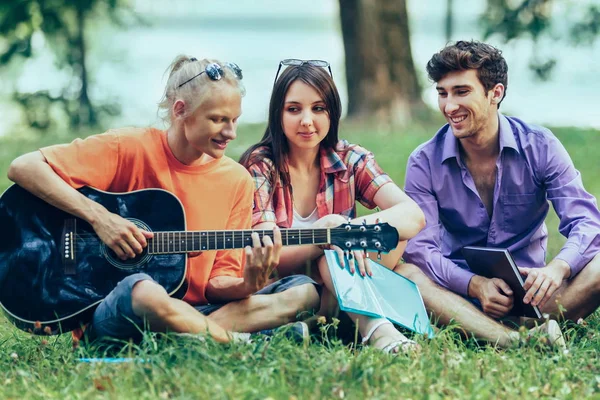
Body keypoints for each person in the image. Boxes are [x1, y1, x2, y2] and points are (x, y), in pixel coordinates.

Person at [7, 55, 320, 344]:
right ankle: (239, 342)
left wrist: (249, 284)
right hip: (123, 308)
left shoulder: (236, 180)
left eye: (235, 120)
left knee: (303, 292)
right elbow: (24, 167)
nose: (231, 133)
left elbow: (217, 283)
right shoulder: (128, 147)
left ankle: (188, 336)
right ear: (180, 110)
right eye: (217, 120)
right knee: (144, 292)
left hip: (204, 309)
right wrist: (101, 219)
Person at [402, 40, 600, 346]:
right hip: (459, 297)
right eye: (442, 93)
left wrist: (557, 269)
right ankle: (513, 340)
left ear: (496, 93)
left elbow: (586, 221)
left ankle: (510, 329)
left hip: (535, 296)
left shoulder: (540, 146)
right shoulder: (424, 161)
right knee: (407, 272)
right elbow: (421, 249)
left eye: (461, 92)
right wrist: (475, 285)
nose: (449, 106)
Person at [239, 59, 427, 354]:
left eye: (318, 108)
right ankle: (377, 331)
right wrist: (322, 235)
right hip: (292, 291)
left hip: (341, 282)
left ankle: (341, 325)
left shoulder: (350, 159)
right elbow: (268, 257)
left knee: (383, 236)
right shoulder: (261, 166)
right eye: (293, 109)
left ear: (332, 112)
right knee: (328, 251)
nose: (306, 121)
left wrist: (346, 231)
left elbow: (413, 216)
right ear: (278, 113)